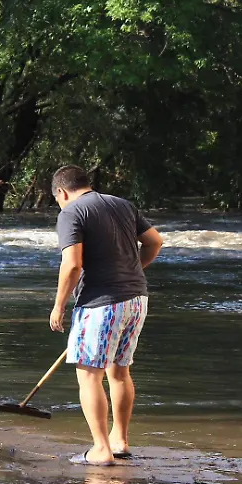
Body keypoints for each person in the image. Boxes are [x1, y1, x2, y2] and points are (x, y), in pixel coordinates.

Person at [49, 165, 164, 466]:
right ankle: (120, 441)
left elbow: (72, 264)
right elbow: (155, 242)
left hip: (101, 303)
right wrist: (134, 270)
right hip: (137, 299)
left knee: (89, 374)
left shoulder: (71, 213)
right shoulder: (122, 204)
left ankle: (101, 449)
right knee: (119, 371)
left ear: (61, 192)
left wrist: (59, 305)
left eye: (58, 199)